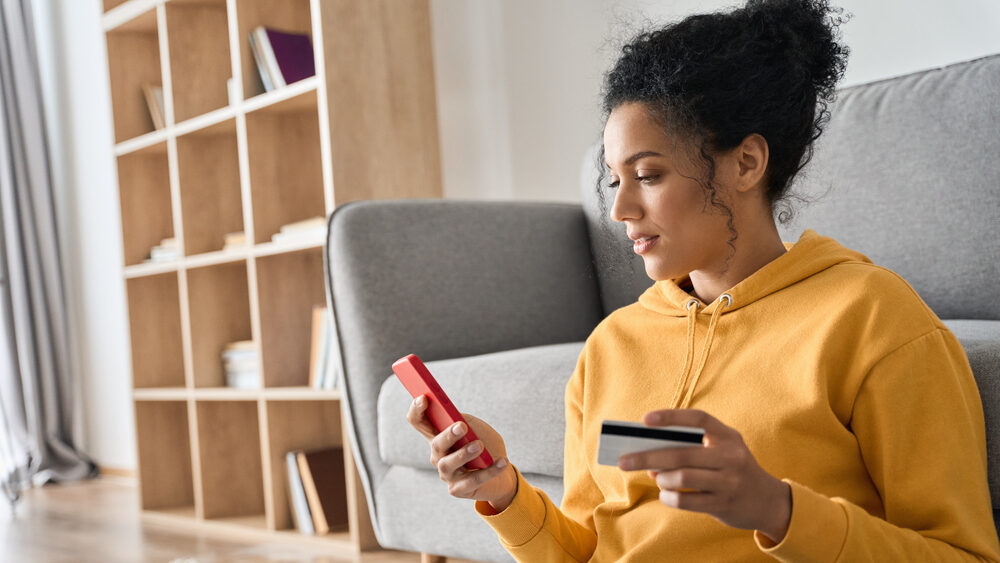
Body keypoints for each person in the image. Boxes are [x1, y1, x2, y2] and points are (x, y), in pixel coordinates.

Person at [407, 0, 1000, 560]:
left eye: (649, 174)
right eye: (616, 181)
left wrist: (779, 510)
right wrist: (504, 490)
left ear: (746, 163)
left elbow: (960, 553)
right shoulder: (612, 348)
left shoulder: (872, 319)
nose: (620, 210)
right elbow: (587, 548)